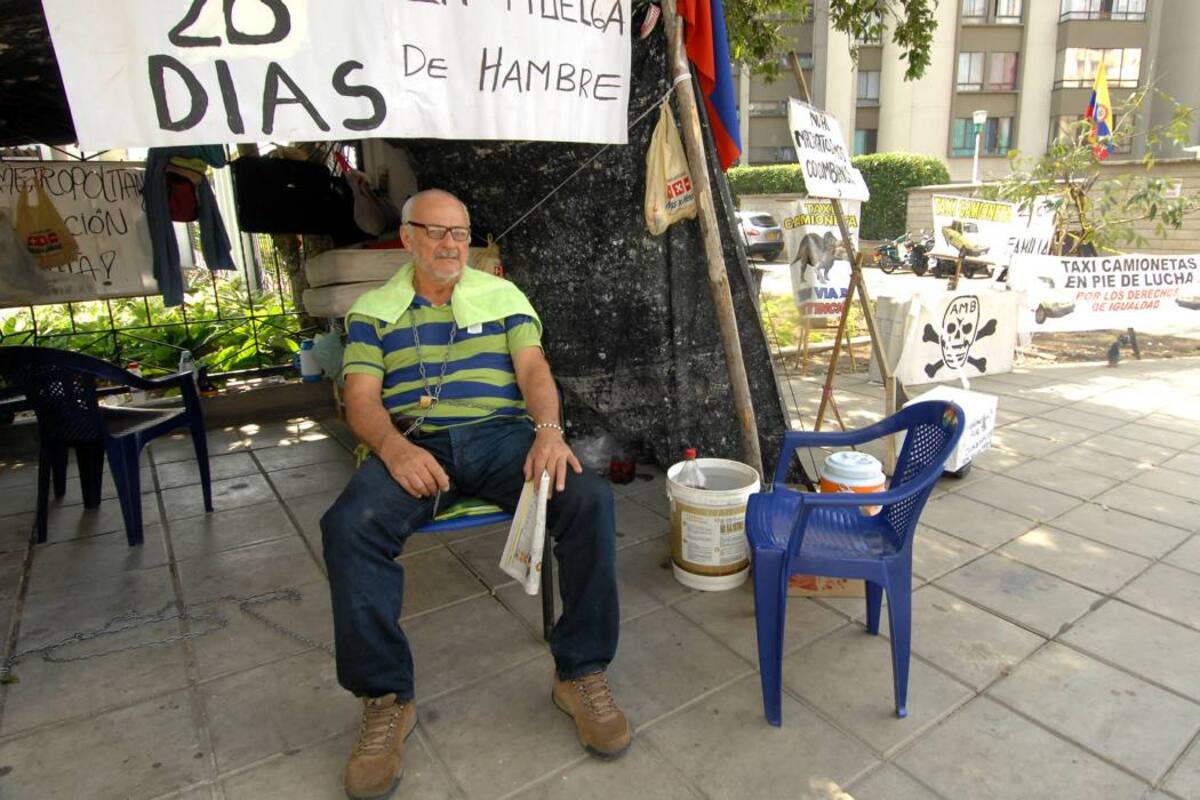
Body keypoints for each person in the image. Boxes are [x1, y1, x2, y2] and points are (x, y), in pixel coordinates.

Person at [321, 189, 630, 800]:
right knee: (349, 527)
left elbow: (534, 370)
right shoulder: (372, 311)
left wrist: (547, 432)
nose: (449, 244)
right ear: (405, 238)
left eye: (459, 233)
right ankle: (385, 698)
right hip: (413, 443)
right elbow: (360, 401)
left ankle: (581, 672)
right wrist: (393, 448)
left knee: (587, 500)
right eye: (435, 232)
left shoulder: (502, 295)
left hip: (500, 436)